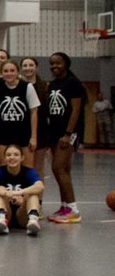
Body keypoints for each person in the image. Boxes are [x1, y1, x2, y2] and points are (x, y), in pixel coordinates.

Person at [44, 52, 85, 224]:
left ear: (66, 64)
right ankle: (65, 206)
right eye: (52, 64)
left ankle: (74, 210)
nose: (54, 66)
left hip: (67, 134)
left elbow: (76, 111)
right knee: (64, 170)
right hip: (54, 132)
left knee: (58, 168)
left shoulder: (73, 83)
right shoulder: (53, 84)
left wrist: (68, 134)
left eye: (58, 63)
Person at [0, 145, 44, 236]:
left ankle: (33, 220)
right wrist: (8, 194)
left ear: (22, 158)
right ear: (5, 158)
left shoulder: (28, 171)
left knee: (32, 194)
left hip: (21, 215)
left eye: (16, 155)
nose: (12, 158)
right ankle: (1, 219)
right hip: (5, 211)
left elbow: (40, 186)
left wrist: (20, 194)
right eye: (8, 155)